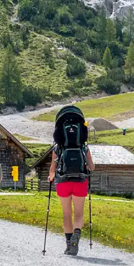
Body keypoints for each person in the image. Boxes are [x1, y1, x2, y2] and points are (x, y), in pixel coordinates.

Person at [50, 105, 93, 256]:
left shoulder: (58, 148)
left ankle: (69, 245)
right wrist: (87, 167)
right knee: (79, 213)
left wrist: (51, 176)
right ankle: (76, 235)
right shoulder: (84, 147)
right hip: (80, 181)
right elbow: (92, 167)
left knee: (67, 213)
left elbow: (52, 169)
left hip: (63, 181)